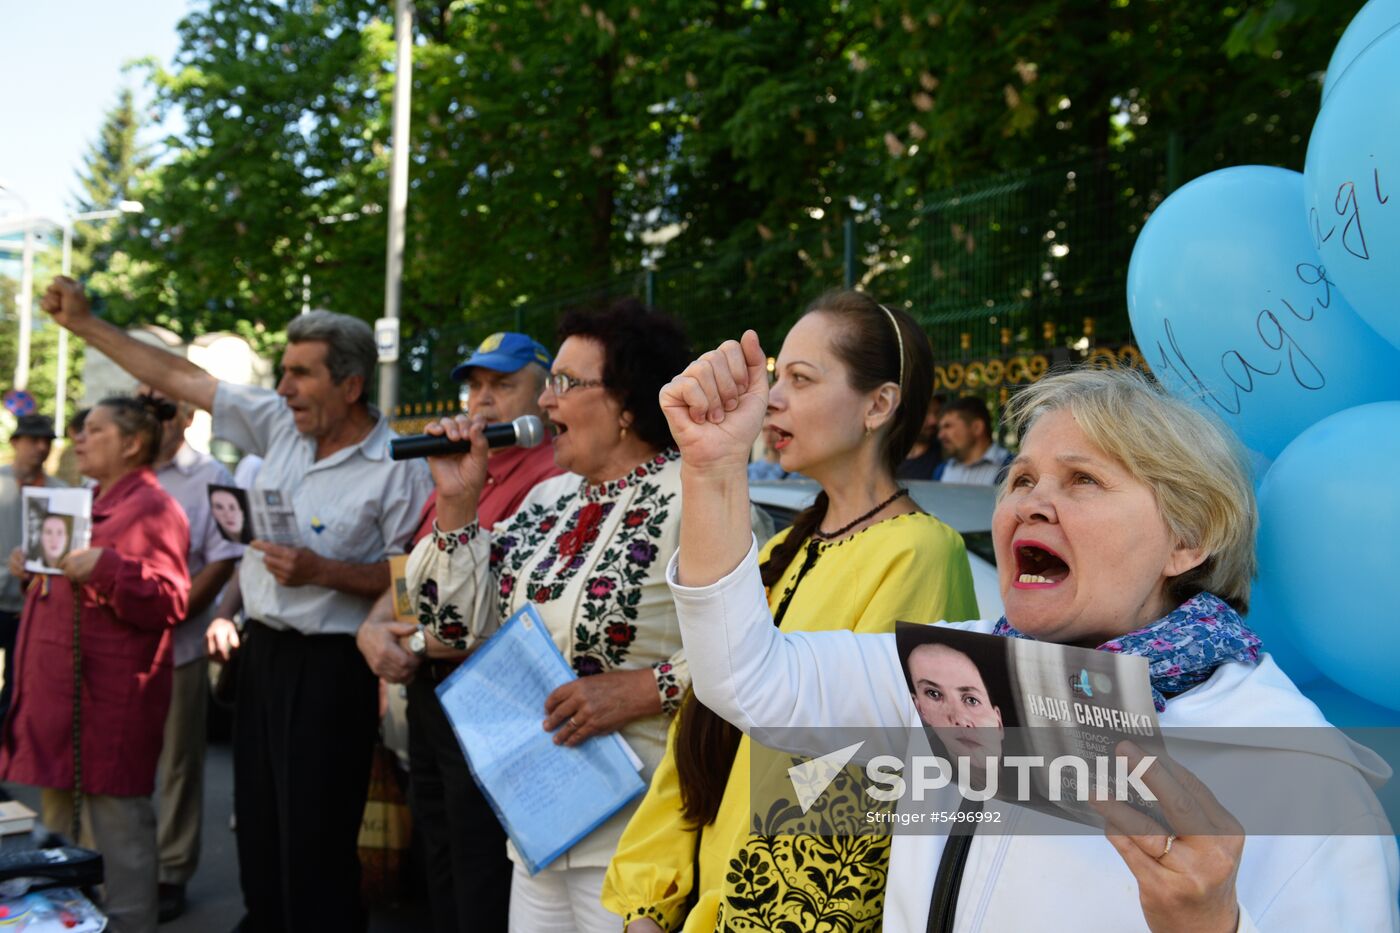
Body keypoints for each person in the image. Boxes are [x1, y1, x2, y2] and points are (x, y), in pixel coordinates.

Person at [659, 355, 1400, 932]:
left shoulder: (1299, 766)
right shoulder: (949, 665)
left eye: (1082, 480)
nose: (1030, 503)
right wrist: (713, 471)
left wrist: (1213, 924)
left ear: (1187, 539)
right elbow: (748, 678)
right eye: (1020, 477)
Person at [41, 276, 432, 933]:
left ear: (351, 385)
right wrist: (86, 324)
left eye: (301, 374)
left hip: (335, 665)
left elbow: (409, 581)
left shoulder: (399, 466)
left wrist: (324, 571)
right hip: (265, 651)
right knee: (258, 816)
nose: (283, 388)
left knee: (316, 829)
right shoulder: (279, 423)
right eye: (283, 371)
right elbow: (177, 375)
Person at [603, 291, 978, 932]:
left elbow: (848, 793)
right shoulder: (781, 547)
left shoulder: (920, 550)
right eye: (777, 377)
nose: (772, 399)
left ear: (879, 405)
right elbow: (696, 730)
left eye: (800, 380)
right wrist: (649, 899)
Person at [405, 300, 768, 933]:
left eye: (566, 384)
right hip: (539, 819)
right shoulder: (547, 501)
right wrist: (459, 502)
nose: (546, 402)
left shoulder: (698, 493)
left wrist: (647, 688)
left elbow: (763, 640)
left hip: (645, 829)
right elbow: (452, 630)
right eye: (549, 384)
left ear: (628, 403)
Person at [357, 331, 563, 933]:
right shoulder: (464, 468)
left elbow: (508, 609)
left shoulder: (550, 480)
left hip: (495, 697)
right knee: (440, 852)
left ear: (545, 394)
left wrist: (416, 644)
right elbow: (411, 571)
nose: (482, 399)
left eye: (503, 384)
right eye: (475, 385)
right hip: (431, 694)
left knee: (479, 865)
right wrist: (371, 629)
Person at [1, 396, 190, 933]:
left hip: (107, 706)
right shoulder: (81, 499)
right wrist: (29, 569)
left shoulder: (153, 508)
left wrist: (108, 568)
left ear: (132, 443)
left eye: (94, 430)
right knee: (60, 839)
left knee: (116, 837)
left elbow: (170, 600)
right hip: (61, 701)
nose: (78, 439)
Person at [144, 389, 244, 922]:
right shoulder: (122, 468)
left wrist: (179, 608)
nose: (149, 414)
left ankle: (170, 869)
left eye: (161, 404)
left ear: (185, 415)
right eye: (141, 402)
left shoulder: (212, 477)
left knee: (178, 762)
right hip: (114, 649)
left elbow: (228, 556)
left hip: (176, 642)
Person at [0, 414, 66, 720]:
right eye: (33, 440)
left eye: (47, 442)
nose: (41, 448)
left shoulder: (62, 493)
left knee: (18, 688)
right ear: (16, 442)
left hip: (34, 605)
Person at [934, 395, 1011, 485]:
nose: (940, 435)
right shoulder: (941, 471)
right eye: (940, 429)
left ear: (977, 427)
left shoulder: (1011, 467)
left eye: (948, 426)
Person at [898, 392, 947, 479]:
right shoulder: (886, 455)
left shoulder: (946, 452)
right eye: (925, 413)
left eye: (937, 413)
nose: (934, 421)